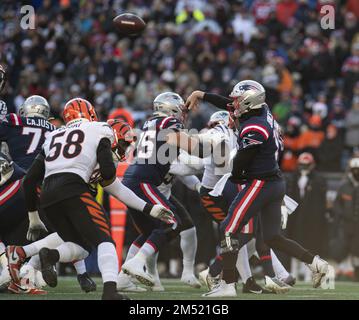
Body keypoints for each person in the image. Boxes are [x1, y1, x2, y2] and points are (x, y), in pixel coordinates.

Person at [10, 98, 174, 300]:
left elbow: (29, 181)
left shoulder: (54, 135)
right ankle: (110, 292)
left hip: (48, 196)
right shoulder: (99, 129)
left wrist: (34, 218)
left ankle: (50, 255)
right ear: (91, 114)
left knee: (80, 246)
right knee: (106, 240)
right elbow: (108, 172)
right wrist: (101, 172)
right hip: (73, 188)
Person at [184, 80, 331, 297]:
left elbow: (241, 163)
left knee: (228, 228)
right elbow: (227, 104)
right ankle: (316, 263)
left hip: (259, 183)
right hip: (274, 181)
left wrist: (233, 179)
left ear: (248, 102)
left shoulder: (254, 127)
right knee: (272, 236)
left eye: (237, 100)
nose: (233, 104)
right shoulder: (260, 111)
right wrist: (201, 94)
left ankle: (227, 285)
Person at [121, 92, 195, 288]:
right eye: (180, 110)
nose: (182, 115)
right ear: (171, 109)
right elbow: (193, 149)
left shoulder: (149, 123)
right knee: (171, 223)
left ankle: (122, 278)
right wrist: (213, 151)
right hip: (143, 181)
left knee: (149, 231)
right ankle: (136, 263)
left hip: (132, 179)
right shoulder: (168, 123)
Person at [286, 152, 328, 281]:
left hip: (312, 218)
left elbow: (321, 202)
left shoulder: (319, 179)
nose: (304, 167)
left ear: (312, 165)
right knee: (294, 243)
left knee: (311, 244)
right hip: (295, 217)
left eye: (306, 165)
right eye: (302, 165)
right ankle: (294, 271)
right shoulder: (293, 178)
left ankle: (309, 272)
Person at [332, 157, 359, 281]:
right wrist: (341, 216)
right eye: (355, 169)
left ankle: (355, 271)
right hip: (346, 223)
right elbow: (337, 204)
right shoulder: (344, 186)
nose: (356, 172)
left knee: (356, 249)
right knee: (342, 246)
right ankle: (342, 269)